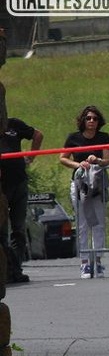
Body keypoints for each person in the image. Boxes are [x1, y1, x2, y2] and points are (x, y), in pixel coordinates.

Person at [59, 106, 109, 279]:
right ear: (83, 120)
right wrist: (79, 164)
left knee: (98, 223)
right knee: (82, 224)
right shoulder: (73, 138)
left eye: (95, 119)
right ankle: (84, 263)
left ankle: (98, 261)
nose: (91, 121)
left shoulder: (103, 137)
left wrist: (96, 160)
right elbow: (63, 158)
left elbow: (107, 160)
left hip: (97, 184)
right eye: (88, 118)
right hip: (80, 183)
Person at [0, 117, 43, 283]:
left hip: (19, 181)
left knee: (18, 230)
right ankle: (5, 271)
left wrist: (31, 157)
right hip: (2, 187)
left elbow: (38, 135)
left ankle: (16, 269)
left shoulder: (14, 124)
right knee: (2, 232)